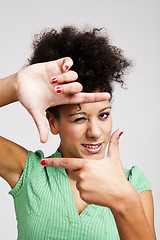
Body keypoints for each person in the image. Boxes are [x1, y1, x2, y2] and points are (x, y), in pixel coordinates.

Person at [0, 26, 156, 240]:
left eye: (103, 115)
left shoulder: (133, 184)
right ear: (53, 123)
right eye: (80, 119)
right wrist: (13, 85)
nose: (94, 132)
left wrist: (125, 200)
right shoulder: (30, 174)